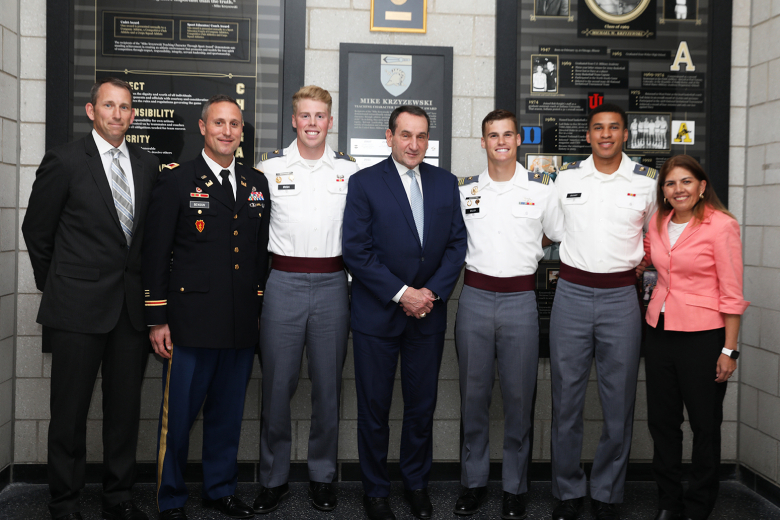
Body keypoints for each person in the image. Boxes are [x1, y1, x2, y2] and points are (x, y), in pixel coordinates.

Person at [22, 77, 159, 520]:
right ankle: (64, 502)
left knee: (124, 412)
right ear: (91, 110)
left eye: (124, 107)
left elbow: (147, 240)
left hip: (129, 311)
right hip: (76, 309)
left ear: (133, 114)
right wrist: (60, 285)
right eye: (108, 106)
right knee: (69, 413)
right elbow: (37, 231)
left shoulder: (147, 164)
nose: (117, 114)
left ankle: (118, 498)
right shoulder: (63, 160)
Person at [142, 95, 271, 520]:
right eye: (219, 123)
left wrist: (256, 308)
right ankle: (172, 497)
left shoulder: (256, 183)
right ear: (203, 128)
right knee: (177, 418)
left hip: (238, 324)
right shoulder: (177, 180)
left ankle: (220, 489)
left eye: (234, 124)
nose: (227, 131)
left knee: (227, 415)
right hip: (190, 324)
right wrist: (157, 317)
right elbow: (156, 253)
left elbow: (257, 256)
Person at [342, 105, 467, 520]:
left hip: (427, 314)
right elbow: (356, 251)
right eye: (406, 135)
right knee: (374, 409)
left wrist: (428, 293)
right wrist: (402, 294)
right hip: (378, 314)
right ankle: (375, 492)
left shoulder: (446, 184)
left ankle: (416, 483)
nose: (414, 144)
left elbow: (456, 246)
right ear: (389, 136)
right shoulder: (363, 183)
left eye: (422, 136)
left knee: (421, 407)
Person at [252, 86, 358, 514]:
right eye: (305, 116)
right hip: (283, 283)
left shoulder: (349, 173)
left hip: (334, 284)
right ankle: (273, 478)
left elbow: (359, 234)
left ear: (330, 122)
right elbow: (255, 235)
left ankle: (322, 475)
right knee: (277, 386)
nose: (313, 123)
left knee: (328, 388)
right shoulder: (269, 169)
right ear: (294, 120)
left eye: (320, 116)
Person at [453, 110, 564, 518]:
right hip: (476, 299)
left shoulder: (542, 188)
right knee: (473, 396)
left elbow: (555, 232)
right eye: (492, 135)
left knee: (520, 399)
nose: (500, 141)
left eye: (507, 134)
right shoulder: (465, 190)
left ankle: (516, 487)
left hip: (520, 300)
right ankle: (473, 483)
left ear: (519, 140)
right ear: (482, 142)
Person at [549, 103, 657, 520]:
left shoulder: (645, 182)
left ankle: (608, 492)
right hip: (572, 294)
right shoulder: (568, 178)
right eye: (598, 128)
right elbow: (554, 231)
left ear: (625, 135)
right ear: (589, 135)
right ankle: (568, 492)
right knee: (566, 400)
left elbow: (655, 236)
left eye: (614, 128)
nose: (606, 134)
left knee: (619, 402)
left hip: (619, 299)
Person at [638, 155, 748, 520]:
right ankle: (669, 502)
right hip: (659, 332)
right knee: (662, 423)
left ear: (701, 187)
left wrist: (729, 350)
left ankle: (699, 505)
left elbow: (732, 292)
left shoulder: (722, 226)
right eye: (670, 183)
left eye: (686, 182)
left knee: (704, 424)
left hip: (704, 336)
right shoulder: (658, 222)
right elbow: (646, 259)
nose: (678, 189)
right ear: (664, 191)